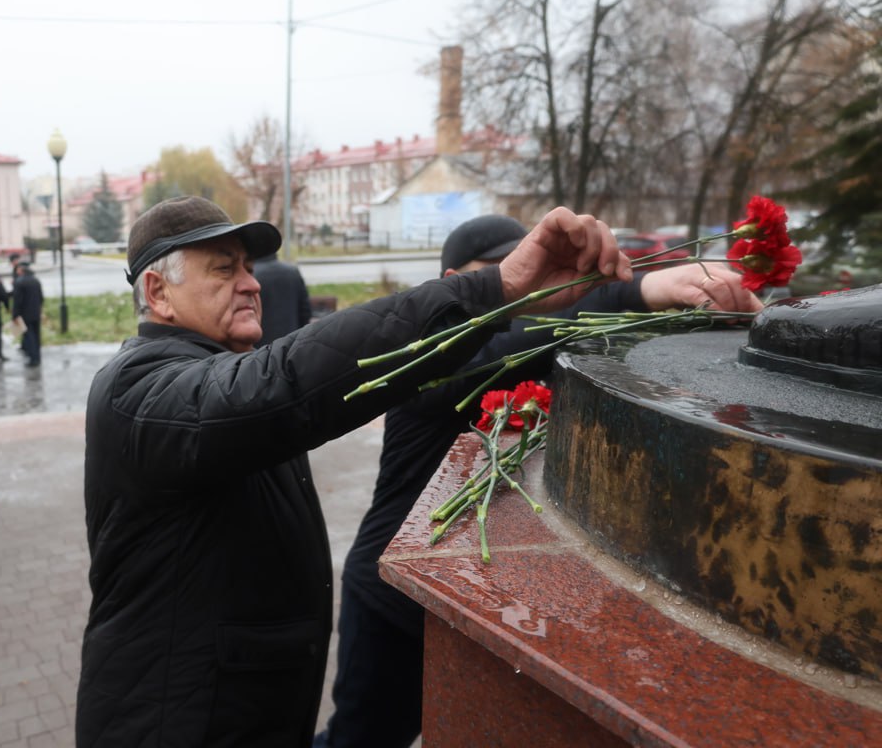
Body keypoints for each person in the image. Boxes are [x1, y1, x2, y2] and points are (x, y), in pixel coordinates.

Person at [76, 196, 632, 746]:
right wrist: (494, 290)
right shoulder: (140, 390)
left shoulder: (215, 372)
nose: (252, 283)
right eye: (224, 269)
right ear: (157, 293)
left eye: (247, 266)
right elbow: (290, 380)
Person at [313, 214, 764, 748]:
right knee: (360, 739)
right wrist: (638, 291)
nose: (525, 281)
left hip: (465, 593)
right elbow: (510, 348)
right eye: (503, 270)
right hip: (390, 592)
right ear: (459, 279)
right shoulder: (433, 357)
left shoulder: (530, 346)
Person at [253, 251, 313, 345]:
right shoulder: (293, 272)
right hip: (290, 344)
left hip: (260, 348)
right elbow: (305, 312)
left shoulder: (251, 275)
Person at [11, 261, 43, 368]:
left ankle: (33, 359)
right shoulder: (35, 280)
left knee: (29, 336)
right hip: (36, 312)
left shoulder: (19, 282)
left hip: (25, 314)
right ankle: (38, 357)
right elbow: (41, 297)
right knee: (36, 335)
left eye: (18, 269)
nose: (17, 271)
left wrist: (15, 315)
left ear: (22, 270)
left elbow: (17, 301)